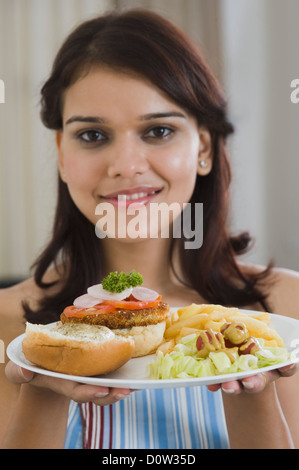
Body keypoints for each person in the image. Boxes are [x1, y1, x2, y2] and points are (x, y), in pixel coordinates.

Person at [0, 9, 298, 449]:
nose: (126, 167)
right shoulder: (11, 324)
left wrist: (250, 385)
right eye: (93, 136)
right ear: (62, 153)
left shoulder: (285, 311)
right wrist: (41, 386)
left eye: (158, 130)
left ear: (204, 148)